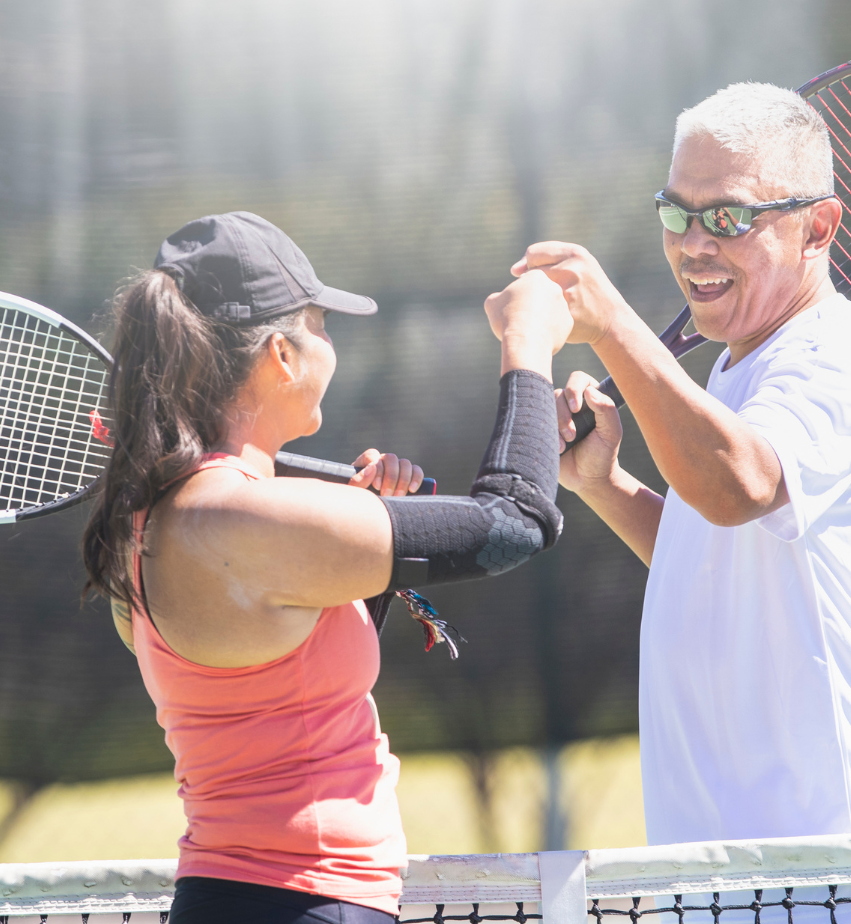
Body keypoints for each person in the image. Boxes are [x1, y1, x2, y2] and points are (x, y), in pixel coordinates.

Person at [81, 211, 573, 924]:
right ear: (282, 354)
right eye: (322, 325)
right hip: (306, 905)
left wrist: (355, 523)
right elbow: (515, 522)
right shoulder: (241, 520)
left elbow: (290, 676)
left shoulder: (170, 517)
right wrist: (527, 345)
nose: (330, 347)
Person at [520, 84, 851, 850]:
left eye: (727, 217)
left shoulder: (836, 359)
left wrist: (613, 326)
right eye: (676, 213)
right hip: (726, 878)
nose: (694, 244)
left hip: (840, 884)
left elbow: (736, 489)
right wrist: (605, 484)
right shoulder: (733, 375)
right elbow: (720, 556)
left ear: (817, 226)